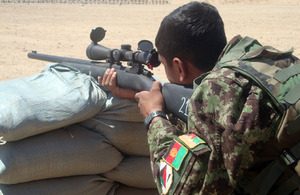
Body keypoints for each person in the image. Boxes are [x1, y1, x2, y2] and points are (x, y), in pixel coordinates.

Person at [98, 1, 285, 194]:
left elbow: (181, 188)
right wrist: (136, 94)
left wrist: (154, 117)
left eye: (163, 64)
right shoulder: (262, 60)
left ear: (179, 67)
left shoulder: (216, 90)